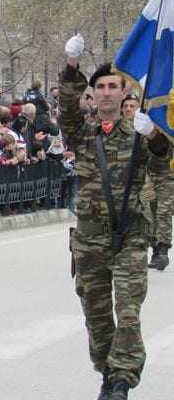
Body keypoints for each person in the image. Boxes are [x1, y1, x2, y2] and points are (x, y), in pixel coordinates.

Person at [60, 34, 170, 400]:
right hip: (90, 240)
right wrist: (72, 69)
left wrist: (153, 133)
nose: (107, 92)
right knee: (96, 315)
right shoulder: (83, 135)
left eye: (113, 86)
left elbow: (163, 160)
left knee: (128, 311)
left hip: (129, 238)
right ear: (92, 95)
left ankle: (123, 378)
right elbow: (68, 113)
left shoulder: (137, 133)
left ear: (125, 93)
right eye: (100, 87)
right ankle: (107, 371)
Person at [122, 93, 173, 270]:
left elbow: (162, 149)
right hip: (140, 176)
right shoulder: (121, 128)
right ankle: (152, 246)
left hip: (162, 173)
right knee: (145, 211)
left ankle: (162, 249)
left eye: (132, 105)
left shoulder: (155, 123)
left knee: (162, 211)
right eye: (126, 106)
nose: (129, 109)